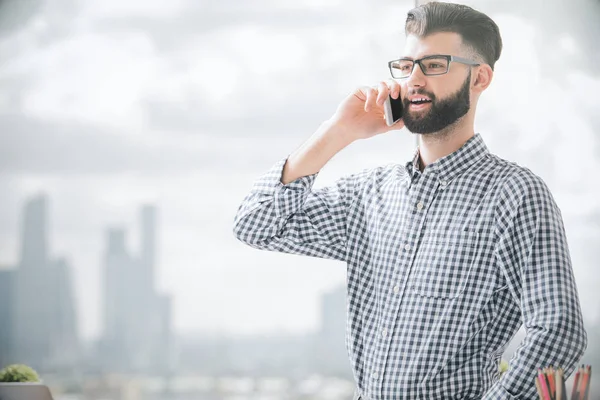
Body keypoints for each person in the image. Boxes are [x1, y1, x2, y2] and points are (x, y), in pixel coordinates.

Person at [232, 2, 587, 399]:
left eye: (434, 65)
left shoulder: (514, 195)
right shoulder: (367, 195)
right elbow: (255, 224)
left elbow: (558, 332)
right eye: (406, 66)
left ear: (480, 78)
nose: (413, 80)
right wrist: (337, 131)